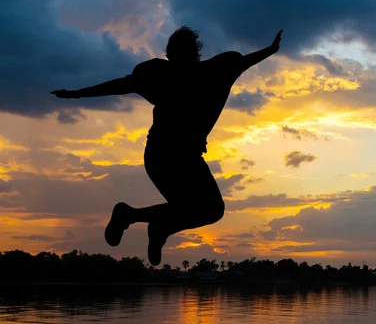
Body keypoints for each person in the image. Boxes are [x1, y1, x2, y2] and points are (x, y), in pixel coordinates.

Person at [52, 26, 283, 266]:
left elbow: (245, 61)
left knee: (210, 210)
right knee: (203, 209)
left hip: (182, 157)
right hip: (163, 155)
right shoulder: (175, 74)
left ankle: (136, 218)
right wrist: (77, 94)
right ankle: (149, 224)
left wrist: (270, 50)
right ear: (174, 55)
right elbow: (120, 85)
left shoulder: (214, 71)